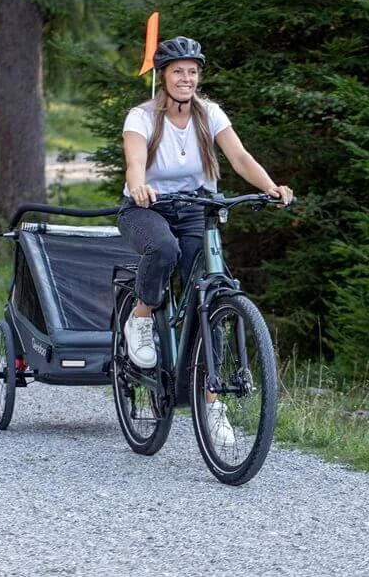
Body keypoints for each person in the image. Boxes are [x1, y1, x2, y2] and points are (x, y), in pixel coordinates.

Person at [117, 35, 294, 446]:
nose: (187, 78)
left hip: (197, 207)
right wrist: (140, 187)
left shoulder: (209, 114)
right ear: (163, 76)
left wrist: (271, 187)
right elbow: (134, 162)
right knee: (164, 249)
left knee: (210, 294)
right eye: (178, 71)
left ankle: (212, 405)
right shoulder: (140, 117)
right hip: (147, 209)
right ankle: (141, 318)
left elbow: (240, 158)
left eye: (193, 72)